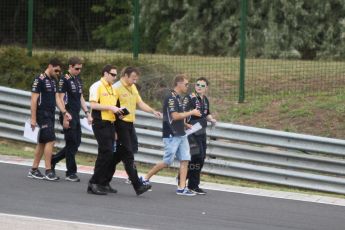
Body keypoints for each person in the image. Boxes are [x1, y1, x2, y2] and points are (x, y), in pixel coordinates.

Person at [142, 74, 201, 196]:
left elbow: (177, 116)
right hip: (171, 134)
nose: (187, 86)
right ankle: (145, 178)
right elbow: (174, 116)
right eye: (186, 84)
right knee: (167, 162)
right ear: (178, 84)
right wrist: (192, 112)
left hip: (181, 133)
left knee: (185, 160)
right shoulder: (171, 98)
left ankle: (181, 188)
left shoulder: (178, 97)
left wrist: (185, 124)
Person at [111, 66, 161, 195]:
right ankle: (137, 185)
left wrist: (152, 111)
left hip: (129, 124)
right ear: (126, 76)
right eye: (133, 78)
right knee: (128, 155)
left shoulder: (132, 87)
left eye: (136, 79)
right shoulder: (116, 88)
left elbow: (140, 103)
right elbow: (110, 109)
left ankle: (102, 179)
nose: (135, 81)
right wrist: (114, 130)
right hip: (119, 124)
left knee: (121, 154)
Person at [27, 58, 70, 181]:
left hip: (50, 114)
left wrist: (64, 112)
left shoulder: (53, 81)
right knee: (51, 140)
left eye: (59, 72)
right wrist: (33, 118)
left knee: (42, 142)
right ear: (50, 66)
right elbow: (34, 100)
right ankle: (48, 170)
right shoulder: (39, 79)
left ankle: (34, 169)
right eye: (56, 70)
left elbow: (57, 98)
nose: (58, 73)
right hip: (42, 114)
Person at [51, 57, 92, 182]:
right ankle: (70, 172)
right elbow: (60, 99)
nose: (78, 71)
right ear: (70, 66)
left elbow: (80, 97)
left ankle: (53, 160)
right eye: (76, 68)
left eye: (80, 68)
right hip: (67, 115)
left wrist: (87, 113)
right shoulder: (64, 79)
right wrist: (64, 116)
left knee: (76, 143)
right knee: (71, 143)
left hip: (76, 115)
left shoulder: (78, 79)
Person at [87, 64, 122, 195]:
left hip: (110, 123)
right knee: (106, 152)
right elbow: (93, 104)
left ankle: (100, 182)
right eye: (113, 74)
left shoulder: (112, 88)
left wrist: (118, 111)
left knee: (108, 153)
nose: (115, 77)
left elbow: (113, 107)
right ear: (105, 74)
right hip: (100, 122)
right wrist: (110, 108)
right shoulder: (97, 86)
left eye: (115, 75)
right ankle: (94, 182)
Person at [182, 77, 217, 195]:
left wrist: (211, 119)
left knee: (201, 158)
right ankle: (192, 184)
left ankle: (187, 179)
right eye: (197, 84)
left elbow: (207, 113)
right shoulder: (190, 98)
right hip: (191, 132)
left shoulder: (205, 99)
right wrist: (185, 124)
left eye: (202, 86)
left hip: (202, 132)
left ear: (206, 88)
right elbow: (183, 112)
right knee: (196, 157)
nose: (199, 87)